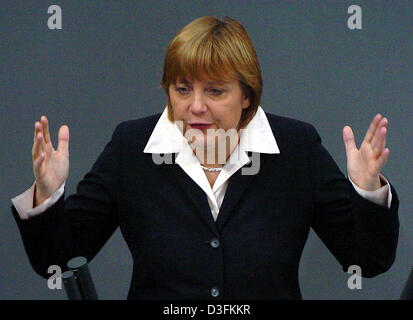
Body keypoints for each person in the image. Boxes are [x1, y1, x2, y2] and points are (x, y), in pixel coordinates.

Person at [11, 16, 399, 300]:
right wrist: (47, 196)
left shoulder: (296, 147)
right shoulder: (132, 146)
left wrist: (366, 193)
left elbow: (365, 262)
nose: (195, 107)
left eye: (215, 91)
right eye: (182, 89)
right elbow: (58, 262)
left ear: (246, 95)